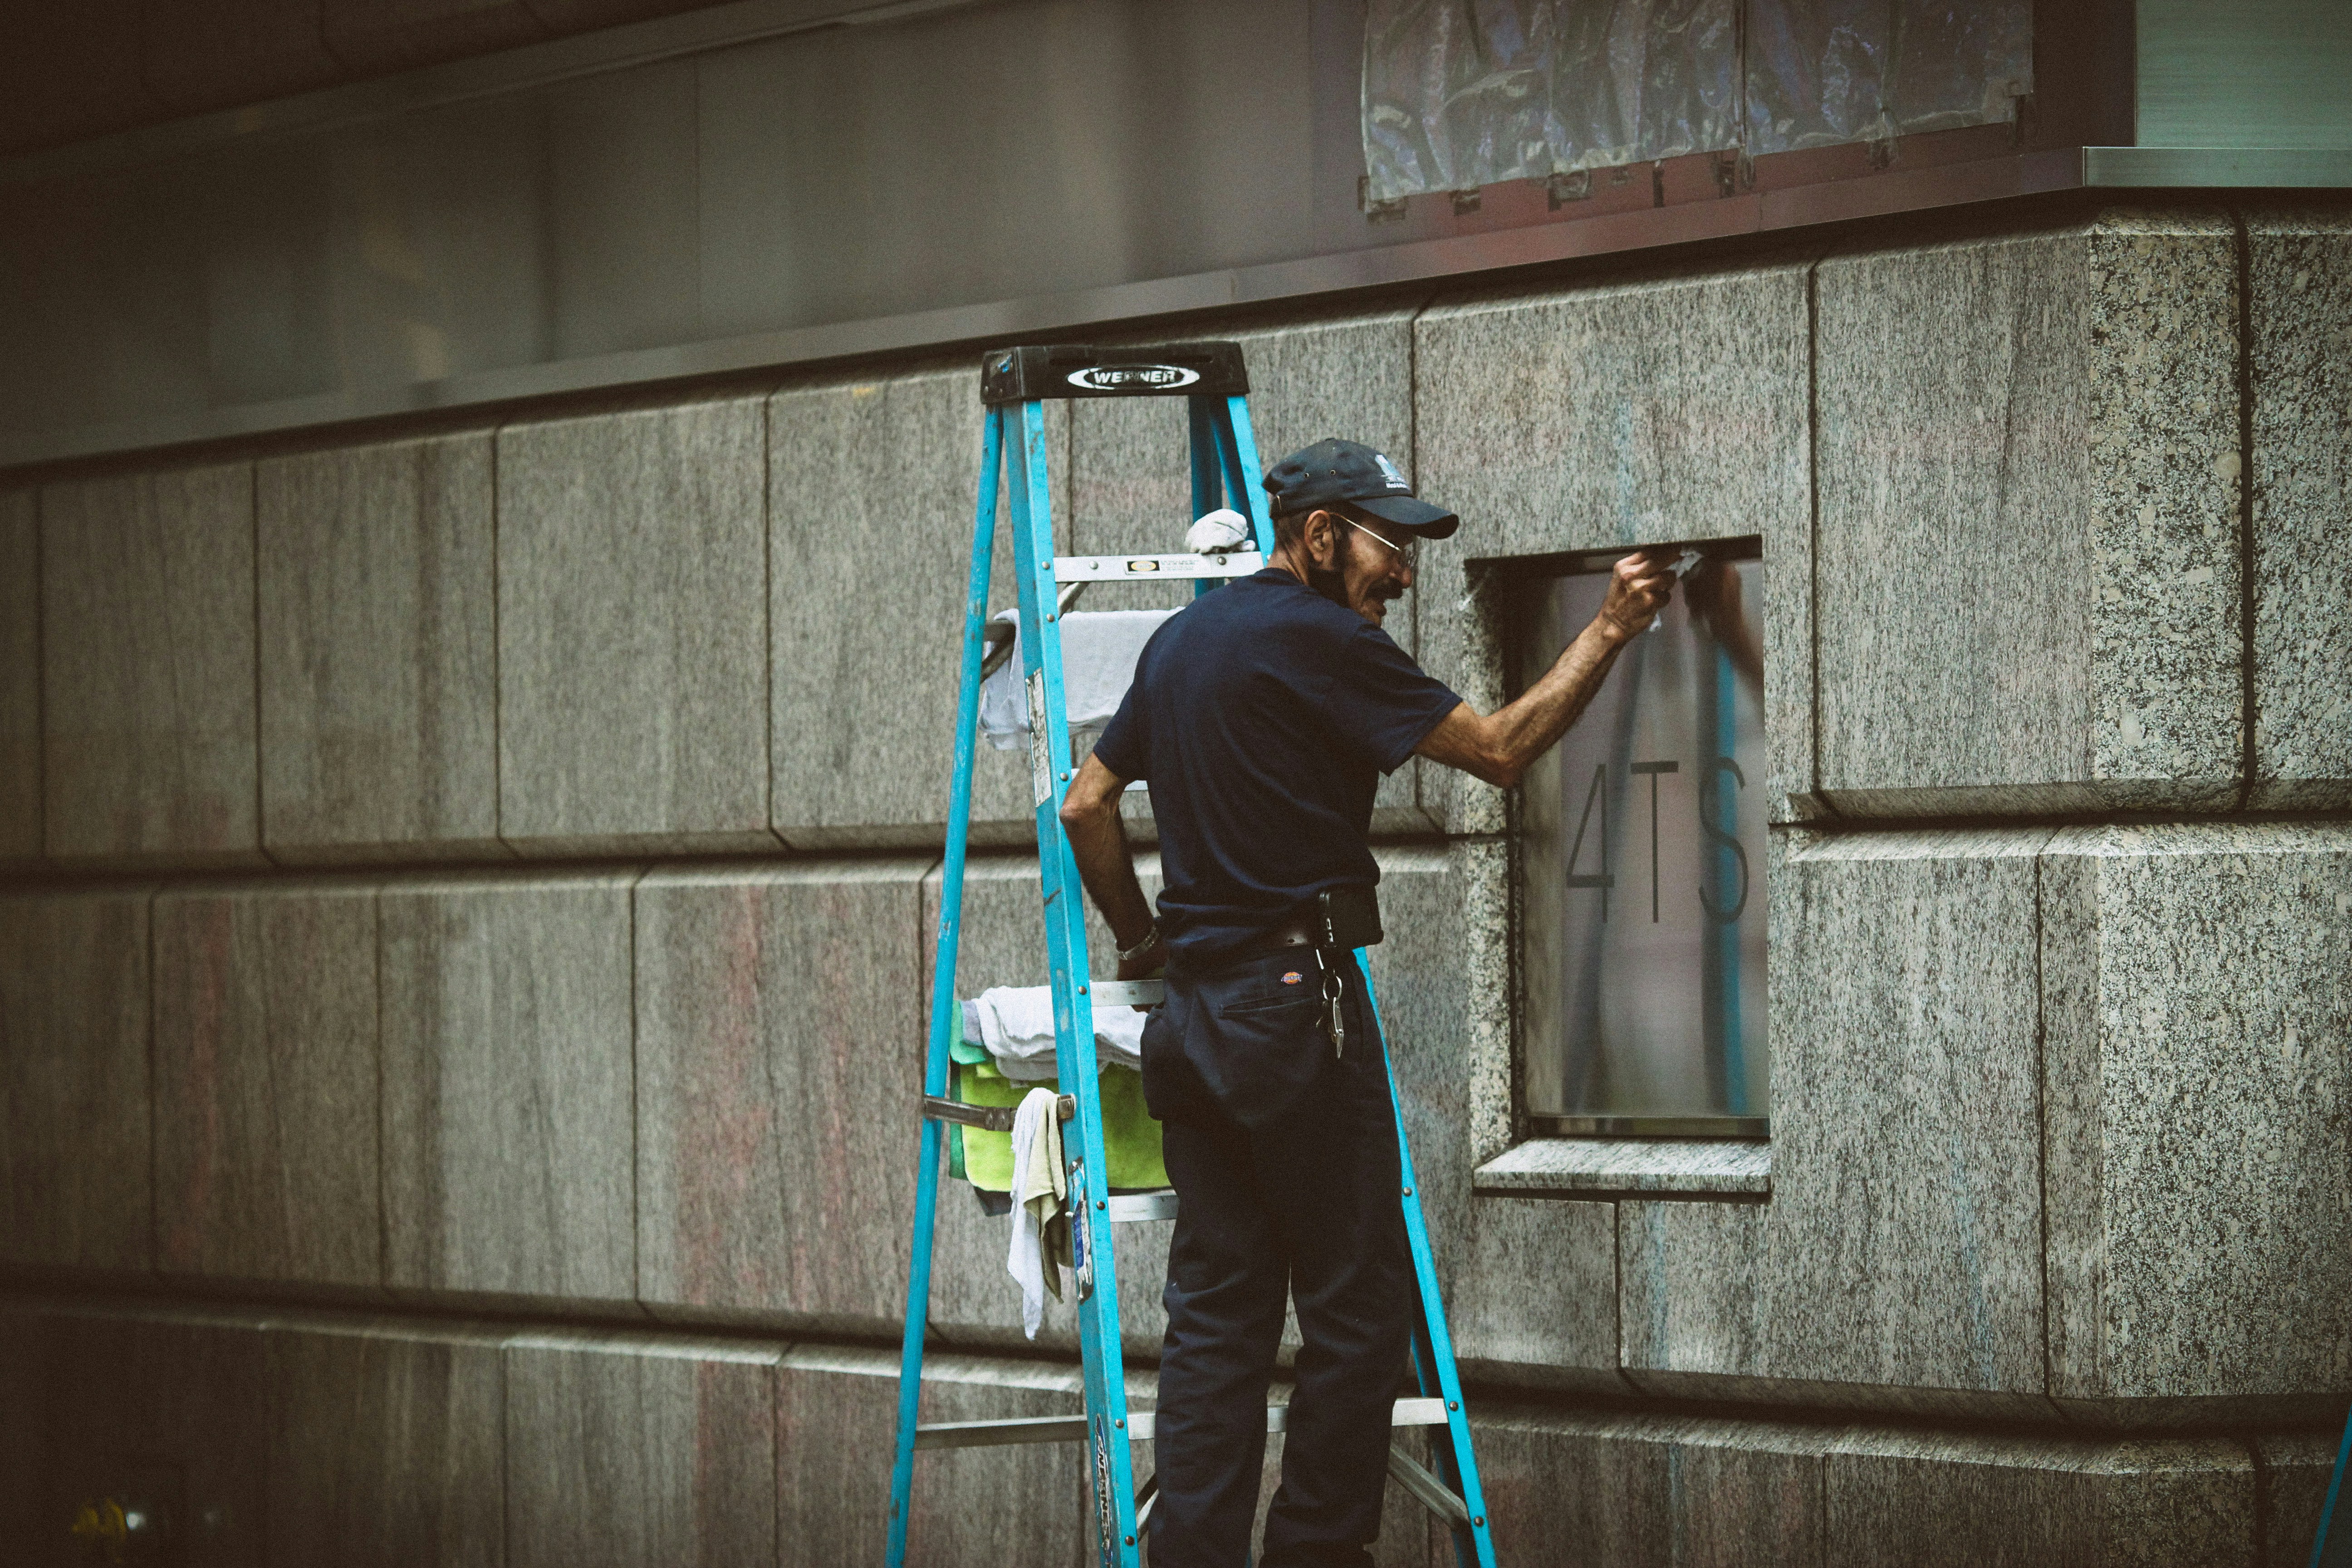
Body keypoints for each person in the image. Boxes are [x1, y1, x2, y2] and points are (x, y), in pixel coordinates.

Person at [1059, 438, 1673, 1568]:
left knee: (1217, 1321)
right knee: (1354, 1314)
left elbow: (1086, 806)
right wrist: (1612, 629)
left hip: (1194, 1023)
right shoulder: (1323, 642)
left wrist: (1143, 939)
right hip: (1298, 1013)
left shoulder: (1183, 642)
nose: (1404, 573)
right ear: (1321, 534)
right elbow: (1495, 751)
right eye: (1390, 545)